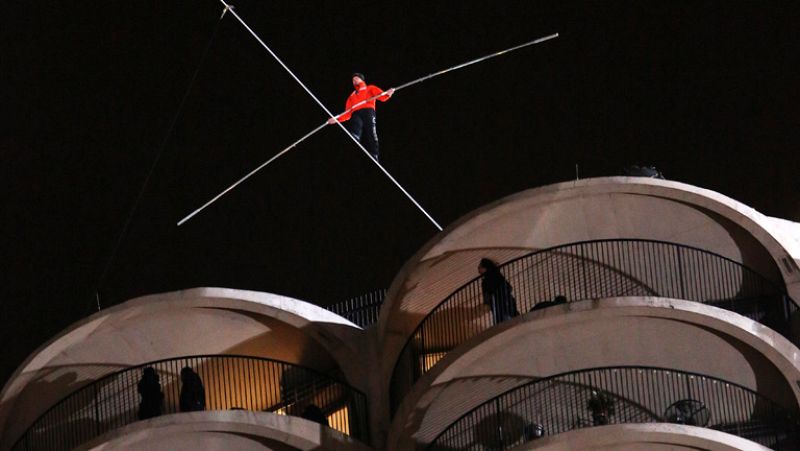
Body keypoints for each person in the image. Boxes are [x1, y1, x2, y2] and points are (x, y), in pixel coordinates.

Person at [327, 73, 394, 161]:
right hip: (356, 112)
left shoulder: (369, 88)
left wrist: (388, 94)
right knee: (355, 119)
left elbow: (382, 96)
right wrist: (336, 119)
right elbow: (347, 113)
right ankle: (356, 134)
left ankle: (375, 153)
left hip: (368, 110)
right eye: (353, 80)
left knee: (371, 131)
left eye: (356, 79)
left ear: (362, 80)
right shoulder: (352, 96)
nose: (354, 81)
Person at [478, 258, 519, 325]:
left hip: (501, 304)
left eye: (480, 267)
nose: (478, 269)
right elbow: (508, 287)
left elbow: (487, 297)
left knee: (505, 319)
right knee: (508, 317)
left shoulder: (488, 279)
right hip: (503, 304)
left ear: (485, 268)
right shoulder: (495, 276)